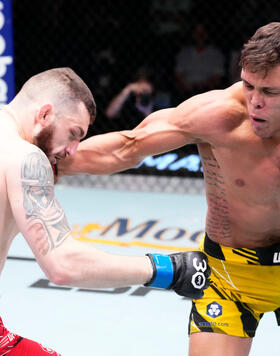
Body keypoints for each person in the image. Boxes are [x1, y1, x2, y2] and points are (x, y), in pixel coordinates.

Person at [56, 22, 280, 356]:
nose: (255, 103)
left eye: (270, 92)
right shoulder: (219, 115)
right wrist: (41, 162)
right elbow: (127, 147)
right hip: (228, 276)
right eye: (249, 86)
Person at [0, 67, 209, 355]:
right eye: (74, 134)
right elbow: (64, 265)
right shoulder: (25, 158)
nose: (73, 150)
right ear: (44, 114)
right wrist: (168, 270)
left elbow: (115, 152)